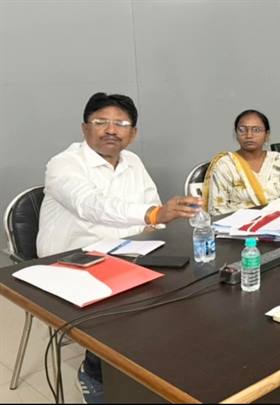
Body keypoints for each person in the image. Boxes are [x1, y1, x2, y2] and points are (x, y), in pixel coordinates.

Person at [36, 92, 202, 403]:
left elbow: (151, 206)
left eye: (121, 124)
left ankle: (151, 370)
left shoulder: (133, 162)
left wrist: (154, 224)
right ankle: (95, 373)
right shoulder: (63, 164)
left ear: (133, 133)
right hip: (72, 261)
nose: (111, 130)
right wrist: (153, 216)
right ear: (85, 128)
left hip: (128, 253)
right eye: (101, 122)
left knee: (185, 290)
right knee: (123, 314)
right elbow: (91, 205)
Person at [204, 109, 280, 215]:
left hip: (277, 220)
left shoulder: (278, 160)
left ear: (267, 135)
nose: (249, 135)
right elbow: (216, 210)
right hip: (238, 223)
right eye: (242, 130)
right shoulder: (225, 164)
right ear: (236, 134)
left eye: (256, 130)